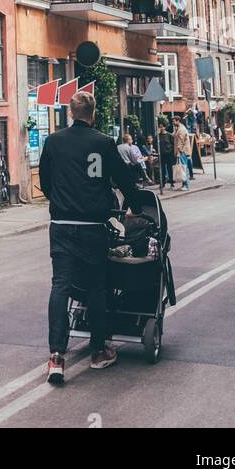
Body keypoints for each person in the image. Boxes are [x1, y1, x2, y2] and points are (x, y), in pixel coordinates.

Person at [38, 90, 146, 384]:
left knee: (60, 286)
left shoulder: (54, 142)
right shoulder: (103, 143)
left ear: (71, 113)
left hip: (61, 224)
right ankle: (98, 351)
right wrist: (136, 206)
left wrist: (60, 199)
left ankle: (57, 357)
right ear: (93, 113)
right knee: (97, 286)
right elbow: (123, 179)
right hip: (92, 227)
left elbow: (44, 180)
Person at [173, 114, 193, 188]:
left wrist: (179, 152)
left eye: (174, 121)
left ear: (178, 121)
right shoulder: (178, 128)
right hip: (182, 151)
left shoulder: (181, 130)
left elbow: (180, 142)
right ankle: (184, 184)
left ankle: (186, 185)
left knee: (184, 168)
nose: (173, 122)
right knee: (183, 168)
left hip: (182, 152)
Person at [157, 119, 176, 186]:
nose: (161, 128)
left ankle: (171, 182)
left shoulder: (169, 135)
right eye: (159, 127)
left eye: (162, 127)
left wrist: (172, 152)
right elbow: (156, 144)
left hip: (169, 154)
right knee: (162, 169)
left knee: (169, 168)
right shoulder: (158, 136)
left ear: (165, 127)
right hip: (161, 155)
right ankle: (163, 183)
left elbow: (173, 144)